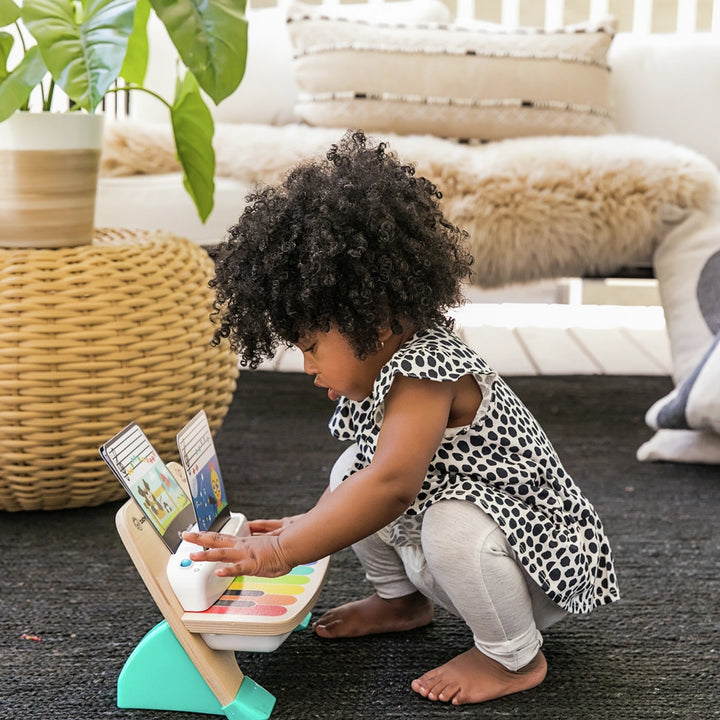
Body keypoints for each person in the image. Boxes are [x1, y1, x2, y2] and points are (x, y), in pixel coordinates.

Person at [182, 130, 620, 705]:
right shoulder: (391, 360)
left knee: (428, 515)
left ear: (379, 320)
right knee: (350, 470)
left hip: (538, 557)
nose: (307, 365)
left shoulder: (426, 370)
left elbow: (392, 487)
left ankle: (513, 655)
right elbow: (372, 477)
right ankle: (402, 601)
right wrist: (300, 523)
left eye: (312, 345)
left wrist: (282, 553)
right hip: (478, 540)